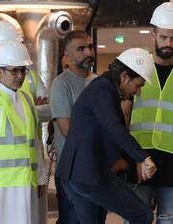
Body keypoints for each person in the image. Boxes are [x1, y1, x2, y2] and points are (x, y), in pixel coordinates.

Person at [56, 48, 157, 224]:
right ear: (125, 76)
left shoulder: (104, 87)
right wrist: (143, 158)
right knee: (142, 214)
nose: (138, 91)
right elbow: (115, 128)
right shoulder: (103, 90)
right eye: (139, 85)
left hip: (80, 174)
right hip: (87, 175)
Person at [122, 2, 173, 224]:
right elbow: (124, 115)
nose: (169, 43)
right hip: (140, 157)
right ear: (153, 34)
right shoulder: (137, 66)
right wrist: (123, 154)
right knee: (136, 218)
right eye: (164, 37)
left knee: (168, 219)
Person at [0, 41, 45, 224]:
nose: (19, 76)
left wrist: (41, 177)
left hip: (26, 183)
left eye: (22, 70)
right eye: (14, 71)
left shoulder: (27, 100)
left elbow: (34, 142)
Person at [49, 30, 98, 224]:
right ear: (67, 56)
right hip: (71, 171)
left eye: (90, 47)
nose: (88, 52)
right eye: (81, 49)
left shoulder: (98, 82)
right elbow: (67, 130)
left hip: (96, 169)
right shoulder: (61, 84)